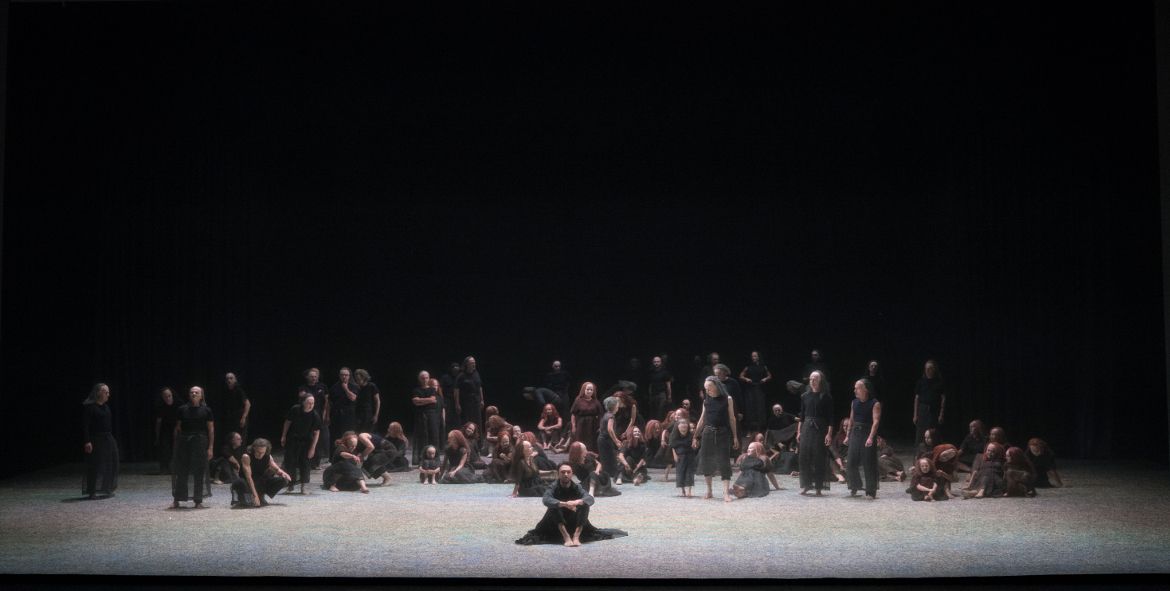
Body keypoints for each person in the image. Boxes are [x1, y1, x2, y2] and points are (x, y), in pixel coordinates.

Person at [514, 463, 628, 546]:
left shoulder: (576, 486)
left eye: (568, 472)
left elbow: (589, 498)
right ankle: (566, 537)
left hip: (573, 521)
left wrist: (577, 502)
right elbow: (546, 499)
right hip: (555, 523)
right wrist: (563, 504)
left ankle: (576, 536)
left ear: (571, 474)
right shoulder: (553, 486)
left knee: (584, 505)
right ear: (558, 474)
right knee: (554, 505)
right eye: (563, 472)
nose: (566, 474)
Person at [693, 375, 740, 502]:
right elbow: (702, 420)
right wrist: (695, 436)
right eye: (705, 388)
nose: (707, 390)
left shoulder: (727, 399)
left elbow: (732, 418)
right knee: (706, 462)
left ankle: (725, 493)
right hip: (708, 432)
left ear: (716, 385)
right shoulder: (706, 400)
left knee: (724, 462)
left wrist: (735, 436)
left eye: (709, 388)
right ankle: (709, 491)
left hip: (723, 432)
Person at [172, 386, 214, 508]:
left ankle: (198, 500)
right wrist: (176, 445)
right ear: (189, 395)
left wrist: (210, 447)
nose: (194, 394)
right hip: (184, 442)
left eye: (197, 392)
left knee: (199, 471)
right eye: (192, 392)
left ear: (201, 395)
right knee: (182, 470)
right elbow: (178, 428)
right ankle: (177, 499)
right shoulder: (182, 409)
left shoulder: (206, 410)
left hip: (200, 442)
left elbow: (211, 430)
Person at [796, 371, 833, 495]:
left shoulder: (826, 397)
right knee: (804, 457)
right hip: (806, 426)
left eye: (815, 379)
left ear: (820, 380)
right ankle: (807, 485)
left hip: (820, 427)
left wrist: (829, 434)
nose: (812, 381)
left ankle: (818, 486)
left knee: (818, 457)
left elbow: (831, 418)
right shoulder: (805, 396)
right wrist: (798, 432)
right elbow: (802, 416)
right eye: (811, 378)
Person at [845, 379, 881, 499]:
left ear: (865, 389)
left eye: (857, 388)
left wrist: (871, 437)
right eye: (855, 388)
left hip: (867, 432)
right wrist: (847, 435)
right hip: (856, 432)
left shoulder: (874, 403)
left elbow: (875, 422)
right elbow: (851, 420)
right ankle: (855, 485)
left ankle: (870, 491)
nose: (855, 390)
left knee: (868, 462)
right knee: (851, 461)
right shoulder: (854, 402)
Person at [82, 383, 118, 499]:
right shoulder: (90, 407)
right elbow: (85, 426)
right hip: (95, 439)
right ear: (99, 393)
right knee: (95, 465)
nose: (108, 395)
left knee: (110, 463)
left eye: (108, 392)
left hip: (107, 438)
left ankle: (106, 488)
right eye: (106, 392)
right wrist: (87, 441)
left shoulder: (106, 407)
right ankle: (92, 491)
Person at [280, 393, 321, 494]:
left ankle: (303, 486)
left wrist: (313, 448)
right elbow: (287, 422)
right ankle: (290, 485)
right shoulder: (295, 409)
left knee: (305, 463)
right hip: (293, 439)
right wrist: (283, 436)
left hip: (306, 441)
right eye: (308, 403)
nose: (311, 405)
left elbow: (317, 433)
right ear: (303, 402)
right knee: (290, 462)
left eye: (313, 403)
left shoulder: (315, 415)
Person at [232, 438, 291, 507]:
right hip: (247, 482)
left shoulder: (268, 456)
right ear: (254, 449)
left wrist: (284, 474)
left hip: (259, 481)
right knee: (239, 483)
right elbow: (249, 478)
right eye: (258, 452)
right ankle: (247, 498)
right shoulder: (246, 456)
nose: (260, 455)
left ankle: (261, 496)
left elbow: (277, 469)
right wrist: (255, 495)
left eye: (262, 452)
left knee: (283, 480)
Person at [411, 370, 442, 465]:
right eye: (423, 378)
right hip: (421, 415)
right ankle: (422, 459)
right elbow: (415, 401)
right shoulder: (416, 390)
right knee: (422, 437)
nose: (425, 380)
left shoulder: (432, 389)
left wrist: (421, 401)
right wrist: (427, 400)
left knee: (434, 436)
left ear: (429, 378)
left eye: (426, 378)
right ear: (419, 379)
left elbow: (433, 400)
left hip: (432, 415)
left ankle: (435, 459)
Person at [301, 367, 330, 469]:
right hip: (308, 416)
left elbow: (326, 401)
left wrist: (326, 414)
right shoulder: (303, 388)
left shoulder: (322, 386)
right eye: (312, 377)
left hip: (319, 415)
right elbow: (302, 398)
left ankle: (316, 463)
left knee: (319, 440)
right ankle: (306, 461)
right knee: (308, 438)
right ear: (307, 377)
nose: (314, 378)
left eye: (315, 376)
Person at [738, 351, 772, 436]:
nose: (753, 358)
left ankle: (759, 430)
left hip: (759, 388)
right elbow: (741, 375)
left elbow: (770, 376)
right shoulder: (748, 367)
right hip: (750, 389)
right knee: (750, 409)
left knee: (760, 409)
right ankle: (749, 430)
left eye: (755, 356)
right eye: (752, 356)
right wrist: (746, 379)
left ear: (758, 357)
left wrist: (765, 379)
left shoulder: (763, 367)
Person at [913, 360, 946, 445]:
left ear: (934, 369)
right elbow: (917, 399)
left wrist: (941, 414)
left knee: (933, 432)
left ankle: (934, 452)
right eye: (926, 368)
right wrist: (915, 415)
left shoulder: (939, 382)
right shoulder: (920, 382)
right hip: (922, 409)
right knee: (921, 432)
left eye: (930, 368)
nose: (928, 370)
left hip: (934, 409)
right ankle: (920, 454)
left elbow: (943, 398)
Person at [217, 372, 251, 449]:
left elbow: (248, 404)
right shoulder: (225, 391)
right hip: (231, 417)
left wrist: (244, 417)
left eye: (231, 378)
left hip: (240, 417)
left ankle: (241, 454)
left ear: (235, 380)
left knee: (240, 436)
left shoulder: (239, 390)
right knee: (231, 437)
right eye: (227, 379)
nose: (229, 380)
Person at [454, 356, 485, 431]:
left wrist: (482, 400)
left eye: (474, 363)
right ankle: (466, 440)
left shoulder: (476, 373)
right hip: (466, 401)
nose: (474, 364)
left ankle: (479, 441)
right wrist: (457, 404)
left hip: (476, 400)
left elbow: (479, 387)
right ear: (467, 364)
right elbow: (456, 390)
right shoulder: (461, 376)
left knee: (477, 420)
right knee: (467, 421)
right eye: (472, 363)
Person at [570, 382, 602, 452]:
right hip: (581, 424)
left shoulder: (596, 401)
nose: (589, 391)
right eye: (588, 389)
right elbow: (573, 414)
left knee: (591, 442)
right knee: (580, 441)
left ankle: (590, 457)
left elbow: (600, 414)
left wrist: (600, 426)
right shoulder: (578, 400)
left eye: (591, 390)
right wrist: (573, 425)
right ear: (584, 390)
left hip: (592, 425)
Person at [153, 387, 179, 475]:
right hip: (165, 429)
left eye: (169, 396)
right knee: (165, 448)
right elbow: (158, 422)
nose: (167, 398)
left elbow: (181, 419)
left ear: (172, 395)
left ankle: (176, 467)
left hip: (177, 427)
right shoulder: (160, 406)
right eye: (165, 396)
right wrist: (157, 436)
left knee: (176, 448)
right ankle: (164, 468)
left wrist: (177, 429)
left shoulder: (178, 403)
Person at [597, 397, 622, 483]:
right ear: (614, 406)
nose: (618, 408)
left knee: (606, 460)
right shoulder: (611, 416)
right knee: (610, 460)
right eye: (617, 406)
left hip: (602, 440)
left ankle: (607, 479)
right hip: (605, 441)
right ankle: (611, 478)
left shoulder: (606, 414)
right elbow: (610, 429)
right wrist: (616, 441)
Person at [329, 367, 359, 437]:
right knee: (337, 434)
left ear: (349, 376)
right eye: (342, 375)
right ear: (339, 376)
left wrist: (346, 389)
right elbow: (329, 402)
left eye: (346, 375)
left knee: (349, 434)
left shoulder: (354, 386)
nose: (344, 376)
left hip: (350, 415)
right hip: (337, 415)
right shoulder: (334, 387)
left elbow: (353, 398)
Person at [670, 418, 696, 497]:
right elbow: (672, 446)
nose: (684, 425)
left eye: (685, 423)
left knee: (689, 473)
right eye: (681, 423)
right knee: (681, 473)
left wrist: (695, 444)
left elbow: (695, 446)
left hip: (689, 456)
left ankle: (689, 491)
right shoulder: (674, 436)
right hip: (680, 456)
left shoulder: (691, 435)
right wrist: (675, 455)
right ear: (678, 426)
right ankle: (683, 490)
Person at [352, 369, 381, 434]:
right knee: (358, 433)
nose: (357, 381)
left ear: (364, 377)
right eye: (356, 379)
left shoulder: (371, 386)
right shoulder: (356, 387)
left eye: (359, 379)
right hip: (358, 414)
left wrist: (376, 415)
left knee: (368, 433)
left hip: (369, 414)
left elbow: (378, 401)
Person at [647, 355, 674, 425]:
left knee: (660, 412)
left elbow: (668, 385)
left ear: (661, 362)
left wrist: (669, 396)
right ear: (653, 362)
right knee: (653, 412)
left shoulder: (665, 372)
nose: (656, 363)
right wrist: (650, 395)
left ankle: (659, 426)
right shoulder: (651, 372)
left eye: (658, 362)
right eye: (655, 362)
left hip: (662, 394)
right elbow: (650, 385)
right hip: (653, 394)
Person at [439, 362, 461, 435]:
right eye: (454, 370)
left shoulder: (459, 377)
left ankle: (457, 436)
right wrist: (442, 400)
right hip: (448, 400)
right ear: (451, 369)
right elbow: (440, 388)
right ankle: (447, 437)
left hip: (458, 400)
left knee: (457, 419)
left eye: (457, 370)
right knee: (448, 419)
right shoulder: (445, 377)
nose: (455, 371)